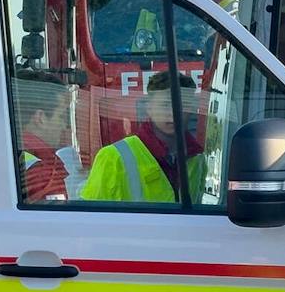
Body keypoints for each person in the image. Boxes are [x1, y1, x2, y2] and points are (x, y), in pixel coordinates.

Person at [79, 69, 205, 203]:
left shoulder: (198, 160)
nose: (173, 113)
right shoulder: (112, 157)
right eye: (165, 105)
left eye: (182, 105)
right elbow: (92, 220)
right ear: (149, 108)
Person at [14, 74, 74, 202]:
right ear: (40, 118)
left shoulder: (15, 155)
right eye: (61, 116)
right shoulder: (41, 173)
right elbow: (57, 220)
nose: (64, 125)